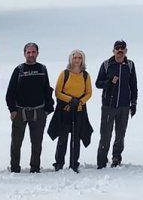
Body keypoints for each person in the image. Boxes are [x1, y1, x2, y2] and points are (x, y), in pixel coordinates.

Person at [6, 42, 52, 173]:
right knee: (16, 142)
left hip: (39, 111)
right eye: (28, 52)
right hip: (20, 111)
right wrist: (12, 110)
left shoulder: (42, 69)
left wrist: (48, 109)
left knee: (37, 142)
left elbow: (46, 89)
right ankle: (15, 168)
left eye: (33, 52)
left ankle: (35, 167)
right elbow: (10, 92)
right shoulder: (19, 70)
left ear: (37, 53)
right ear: (24, 53)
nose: (31, 55)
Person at [47, 50, 93, 172]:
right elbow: (57, 92)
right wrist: (70, 100)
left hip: (79, 110)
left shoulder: (85, 75)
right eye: (75, 58)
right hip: (64, 109)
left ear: (82, 60)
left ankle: (74, 164)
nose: (77, 60)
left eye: (79, 58)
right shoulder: (64, 74)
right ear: (70, 59)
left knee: (76, 138)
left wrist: (80, 102)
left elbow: (89, 93)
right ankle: (59, 163)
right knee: (62, 138)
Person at [95, 40, 136, 169]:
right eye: (117, 48)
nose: (119, 51)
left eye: (122, 48)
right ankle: (101, 161)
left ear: (126, 51)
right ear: (113, 51)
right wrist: (109, 82)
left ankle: (116, 158)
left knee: (120, 134)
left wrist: (133, 103)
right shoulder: (107, 64)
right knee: (105, 134)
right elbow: (98, 83)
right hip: (109, 106)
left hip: (124, 106)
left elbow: (134, 86)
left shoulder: (129, 65)